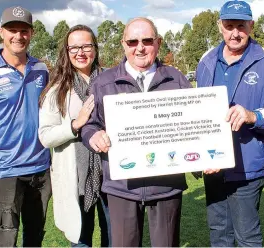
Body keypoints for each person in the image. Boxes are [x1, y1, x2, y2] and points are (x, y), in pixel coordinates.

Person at [81, 17, 192, 247]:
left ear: (158, 43)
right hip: (122, 187)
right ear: (123, 44)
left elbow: (193, 126)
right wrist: (93, 135)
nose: (139, 47)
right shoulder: (103, 82)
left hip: (166, 186)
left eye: (147, 40)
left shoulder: (177, 80)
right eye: (132, 41)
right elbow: (89, 124)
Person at [196, 0, 264, 246]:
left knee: (247, 237)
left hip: (247, 166)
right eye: (229, 25)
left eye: (241, 26)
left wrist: (252, 116)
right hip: (214, 166)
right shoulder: (206, 60)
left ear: (251, 26)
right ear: (219, 26)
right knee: (219, 234)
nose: (235, 32)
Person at [0, 6, 51, 247]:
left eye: (24, 30)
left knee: (35, 235)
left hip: (41, 169)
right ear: (1, 32)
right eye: (12, 30)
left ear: (32, 33)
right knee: (7, 237)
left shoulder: (42, 69)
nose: (18, 36)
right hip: (6, 170)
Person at [38, 25, 111, 247]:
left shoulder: (111, 82)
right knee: (81, 239)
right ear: (67, 52)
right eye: (74, 47)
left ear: (95, 49)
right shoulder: (57, 90)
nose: (80, 52)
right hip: (77, 179)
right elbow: (45, 136)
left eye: (86, 46)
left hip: (111, 175)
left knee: (115, 236)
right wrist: (75, 125)